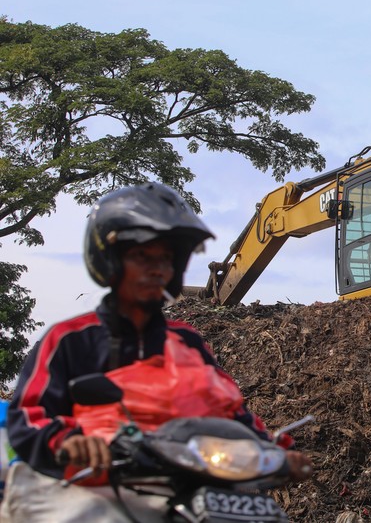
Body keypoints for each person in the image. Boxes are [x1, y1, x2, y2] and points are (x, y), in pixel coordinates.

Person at [0, 182, 312, 522]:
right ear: (109, 260)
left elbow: (227, 408)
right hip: (84, 484)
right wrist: (66, 442)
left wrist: (274, 450)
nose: (157, 268)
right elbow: (29, 414)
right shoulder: (70, 340)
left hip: (182, 484)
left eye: (166, 258)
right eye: (142, 257)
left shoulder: (187, 343)